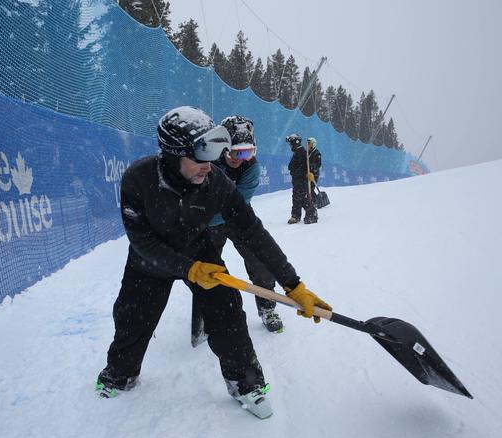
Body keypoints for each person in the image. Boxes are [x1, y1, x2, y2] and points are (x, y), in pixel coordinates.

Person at [96, 106, 332, 419]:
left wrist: (293, 283)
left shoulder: (216, 182)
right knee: (132, 317)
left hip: (201, 253)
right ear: (172, 154)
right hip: (149, 262)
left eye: (211, 158)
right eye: (199, 158)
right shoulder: (138, 180)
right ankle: (120, 372)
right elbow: (142, 241)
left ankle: (245, 383)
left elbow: (252, 232)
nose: (208, 167)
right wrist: (187, 269)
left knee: (228, 313)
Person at [191, 115, 283, 339]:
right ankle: (206, 311)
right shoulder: (206, 161)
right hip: (208, 219)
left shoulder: (251, 169)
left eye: (247, 152)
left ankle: (268, 307)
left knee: (260, 260)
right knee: (208, 268)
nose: (240, 159)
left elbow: (238, 205)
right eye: (235, 152)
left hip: (237, 216)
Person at [286, 133, 321, 224]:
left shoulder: (301, 152)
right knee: (297, 198)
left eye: (290, 143)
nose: (290, 146)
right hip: (297, 180)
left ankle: (312, 214)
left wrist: (298, 173)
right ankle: (296, 216)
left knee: (302, 198)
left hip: (301, 180)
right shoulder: (298, 152)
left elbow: (305, 166)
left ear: (295, 143)